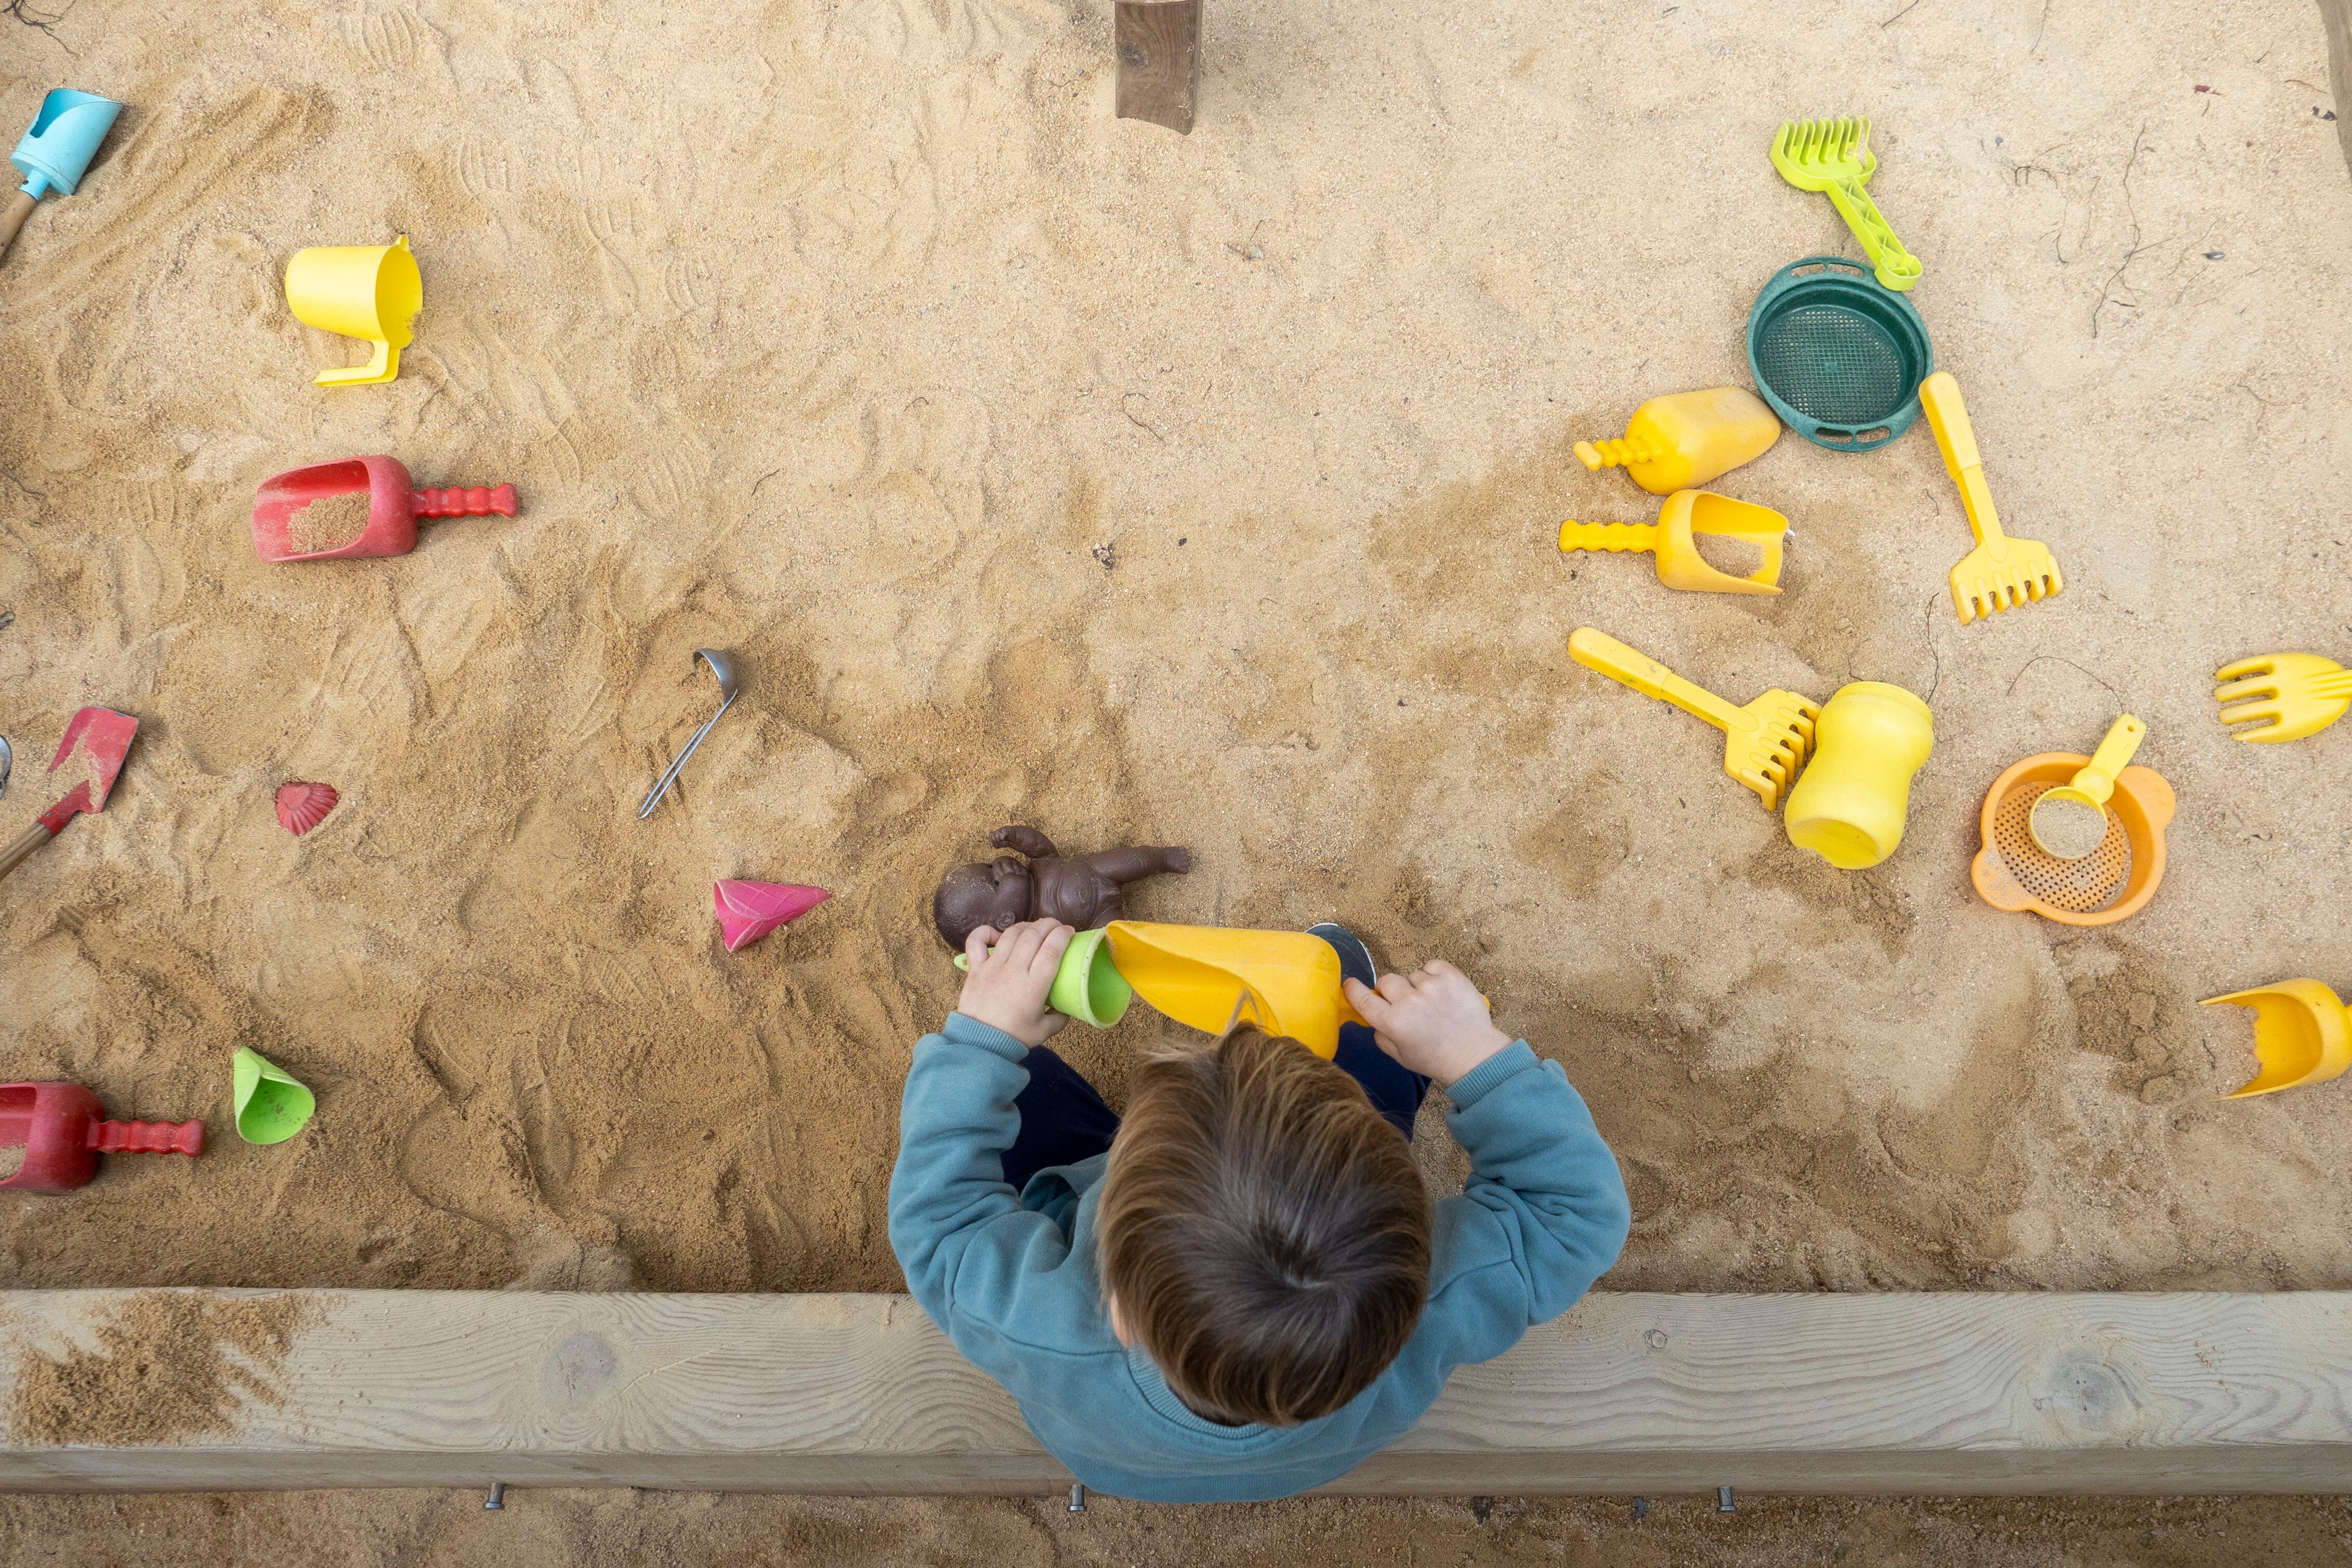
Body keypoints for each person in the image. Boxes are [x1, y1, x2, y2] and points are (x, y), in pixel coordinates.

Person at [888, 916, 1628, 1503]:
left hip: (1113, 1455)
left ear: (1117, 1310)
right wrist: (1473, 1055)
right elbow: (1575, 1213)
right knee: (1361, 1040)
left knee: (1027, 1079)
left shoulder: (1037, 1322)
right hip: (1316, 1453)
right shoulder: (1442, 1298)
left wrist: (984, 1039)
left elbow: (941, 1217)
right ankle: (1355, 1054)